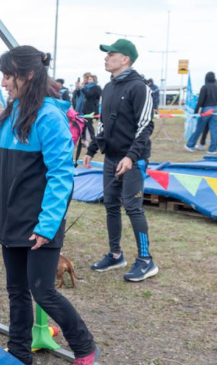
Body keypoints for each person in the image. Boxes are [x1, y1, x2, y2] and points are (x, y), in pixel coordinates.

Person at [0, 45, 98, 365]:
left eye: (9, 75)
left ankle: (84, 346)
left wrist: (47, 226)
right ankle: (19, 353)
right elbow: (3, 168)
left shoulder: (49, 118)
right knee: (16, 289)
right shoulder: (10, 115)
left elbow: (61, 176)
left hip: (40, 222)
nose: (3, 82)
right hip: (12, 218)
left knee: (42, 290)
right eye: (3, 75)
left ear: (29, 75)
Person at [83, 39, 158, 282]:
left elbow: (146, 126)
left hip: (133, 160)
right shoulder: (108, 87)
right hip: (111, 157)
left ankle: (146, 260)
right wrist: (92, 149)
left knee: (133, 207)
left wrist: (131, 157)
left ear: (125, 59)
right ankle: (116, 254)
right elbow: (103, 123)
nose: (106, 58)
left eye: (111, 54)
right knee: (111, 207)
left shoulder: (140, 87)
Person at [184, 72, 217, 154]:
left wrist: (195, 112)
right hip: (216, 109)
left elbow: (200, 101)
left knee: (199, 128)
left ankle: (190, 145)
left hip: (207, 109)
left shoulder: (204, 87)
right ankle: (213, 149)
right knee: (214, 130)